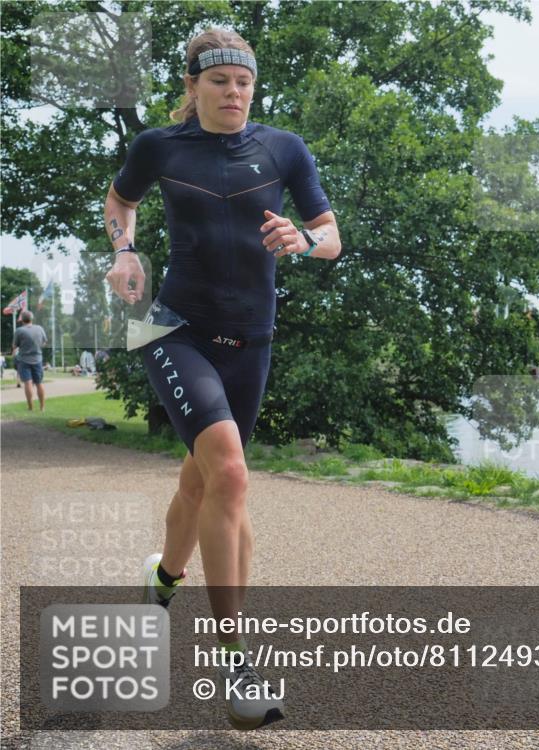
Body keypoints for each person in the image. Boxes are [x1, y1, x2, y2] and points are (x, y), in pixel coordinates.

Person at [103, 27, 341, 730]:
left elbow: (331, 235)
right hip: (173, 329)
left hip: (252, 341)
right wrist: (125, 253)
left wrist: (303, 239)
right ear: (194, 86)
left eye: (243, 83)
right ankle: (235, 658)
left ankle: (162, 581)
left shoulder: (284, 149)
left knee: (202, 479)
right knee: (232, 475)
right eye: (219, 82)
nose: (233, 93)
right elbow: (121, 202)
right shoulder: (159, 148)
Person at [13, 310, 47, 411]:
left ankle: (30, 407)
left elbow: (14, 346)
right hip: (38, 359)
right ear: (31, 319)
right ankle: (42, 408)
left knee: (28, 383)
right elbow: (44, 342)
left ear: (22, 320)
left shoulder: (19, 331)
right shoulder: (40, 328)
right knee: (39, 383)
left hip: (24, 360)